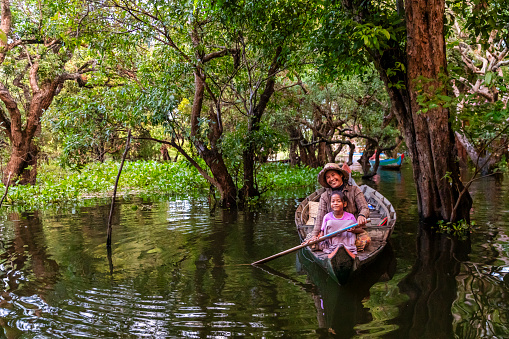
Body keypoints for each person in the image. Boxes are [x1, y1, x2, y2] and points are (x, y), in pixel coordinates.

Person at [305, 162, 370, 250]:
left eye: (333, 175)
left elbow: (364, 208)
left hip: (353, 230)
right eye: (328, 177)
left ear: (341, 175)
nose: (331, 179)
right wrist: (315, 235)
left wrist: (362, 216)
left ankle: (344, 248)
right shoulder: (324, 196)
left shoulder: (354, 190)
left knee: (365, 241)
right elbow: (320, 217)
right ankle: (335, 247)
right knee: (311, 244)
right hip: (332, 232)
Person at [318, 190, 362, 255]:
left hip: (349, 245)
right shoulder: (327, 217)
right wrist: (318, 239)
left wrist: (354, 230)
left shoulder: (350, 217)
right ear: (330, 204)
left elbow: (360, 230)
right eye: (333, 201)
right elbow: (322, 232)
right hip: (332, 245)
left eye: (338, 201)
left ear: (344, 204)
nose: (335, 203)